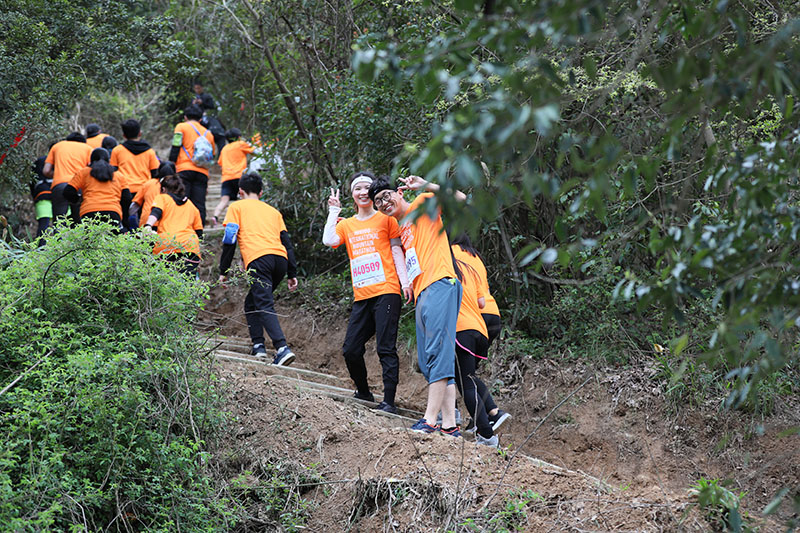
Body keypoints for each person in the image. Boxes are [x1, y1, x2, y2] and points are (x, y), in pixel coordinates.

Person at [368, 175, 465, 437]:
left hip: (440, 283)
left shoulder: (424, 203)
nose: (384, 203)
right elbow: (404, 255)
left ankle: (429, 420)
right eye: (378, 202)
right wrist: (407, 282)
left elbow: (460, 199)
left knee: (437, 353)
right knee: (429, 360)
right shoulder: (400, 227)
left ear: (399, 192)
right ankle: (449, 425)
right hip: (423, 290)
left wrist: (424, 185)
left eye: (386, 196)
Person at [322, 171, 411, 414]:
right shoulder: (347, 224)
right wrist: (333, 212)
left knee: (385, 348)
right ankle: (363, 391)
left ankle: (389, 402)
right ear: (352, 194)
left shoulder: (387, 220)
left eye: (367, 188)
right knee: (351, 349)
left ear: (374, 193)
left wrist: (405, 282)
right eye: (357, 188)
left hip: (387, 291)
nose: (362, 192)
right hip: (362, 296)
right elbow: (329, 241)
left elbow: (396, 251)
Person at [218, 172, 299, 366]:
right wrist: (292, 272)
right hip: (280, 260)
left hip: (258, 258)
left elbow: (229, 240)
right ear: (261, 192)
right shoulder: (273, 211)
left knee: (263, 304)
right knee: (252, 303)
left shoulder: (236, 206)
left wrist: (224, 271)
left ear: (240, 191)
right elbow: (287, 243)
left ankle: (282, 348)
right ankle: (258, 347)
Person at [451, 234, 511, 435]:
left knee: (462, 374)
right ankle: (486, 415)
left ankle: (481, 416)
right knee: (467, 374)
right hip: (491, 314)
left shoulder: (449, 252)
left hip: (473, 312)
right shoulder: (475, 255)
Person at [143, 175, 203, 277]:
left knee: (165, 282)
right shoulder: (191, 205)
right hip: (189, 246)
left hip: (166, 245)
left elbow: (156, 212)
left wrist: (148, 225)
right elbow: (199, 232)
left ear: (163, 189)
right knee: (187, 283)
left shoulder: (162, 198)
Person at [169, 105, 215, 225]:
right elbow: (212, 154)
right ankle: (199, 233)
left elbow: (176, 145)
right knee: (199, 203)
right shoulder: (208, 134)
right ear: (200, 119)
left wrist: (172, 164)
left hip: (184, 169)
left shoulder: (181, 126)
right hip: (202, 172)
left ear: (185, 117)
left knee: (182, 199)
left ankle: (181, 228)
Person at [63, 148, 131, 227]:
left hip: (89, 211)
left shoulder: (83, 172)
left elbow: (68, 192)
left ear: (91, 160)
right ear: (108, 160)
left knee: (91, 238)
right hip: (113, 212)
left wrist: (78, 199)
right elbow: (127, 198)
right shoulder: (118, 175)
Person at [110, 119, 160, 225]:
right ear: (140, 133)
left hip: (124, 189)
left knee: (125, 220)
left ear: (124, 135)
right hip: (144, 190)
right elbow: (155, 173)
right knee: (144, 219)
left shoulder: (117, 150)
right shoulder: (149, 152)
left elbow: (113, 172)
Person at [43, 132, 93, 224]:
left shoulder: (57, 146)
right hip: (79, 187)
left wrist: (59, 174)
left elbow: (46, 171)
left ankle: (59, 238)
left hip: (59, 185)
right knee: (80, 220)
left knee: (59, 221)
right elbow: (91, 169)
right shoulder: (88, 148)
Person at [211, 128, 253, 226]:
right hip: (239, 176)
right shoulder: (240, 144)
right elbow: (253, 151)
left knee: (224, 200)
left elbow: (220, 162)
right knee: (244, 198)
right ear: (238, 137)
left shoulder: (224, 149)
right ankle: (245, 219)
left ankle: (215, 216)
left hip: (226, 177)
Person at [131, 161, 174, 228]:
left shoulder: (149, 183)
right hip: (166, 223)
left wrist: (131, 223)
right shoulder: (176, 186)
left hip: (147, 221)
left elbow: (134, 205)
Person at [29, 155, 52, 239]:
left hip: (41, 194)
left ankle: (41, 248)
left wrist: (34, 197)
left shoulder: (38, 162)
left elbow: (31, 182)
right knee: (61, 223)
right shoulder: (58, 161)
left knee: (43, 225)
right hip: (58, 194)